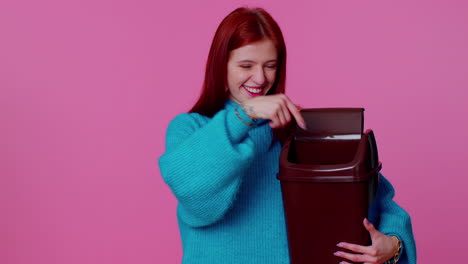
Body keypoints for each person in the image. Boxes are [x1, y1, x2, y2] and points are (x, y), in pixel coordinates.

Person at [158, 7, 416, 264]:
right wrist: (244, 116)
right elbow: (194, 196)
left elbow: (373, 195)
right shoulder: (190, 129)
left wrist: (393, 244)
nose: (260, 78)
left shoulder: (301, 129)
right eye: (246, 65)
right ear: (220, 66)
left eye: (270, 66)